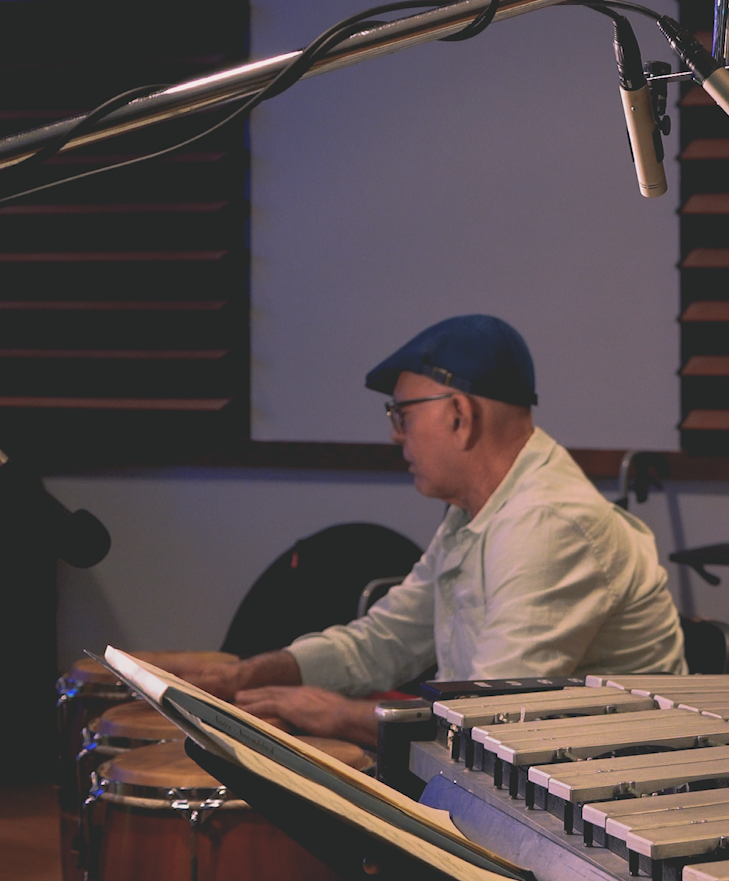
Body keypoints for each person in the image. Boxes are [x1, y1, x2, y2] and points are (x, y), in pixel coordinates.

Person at [189, 315, 684, 746]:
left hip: (615, 817)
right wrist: (247, 674)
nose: (394, 435)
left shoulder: (549, 526)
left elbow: (488, 721)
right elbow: (383, 642)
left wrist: (338, 714)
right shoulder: (477, 509)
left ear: (460, 416)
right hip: (542, 789)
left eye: (402, 415)